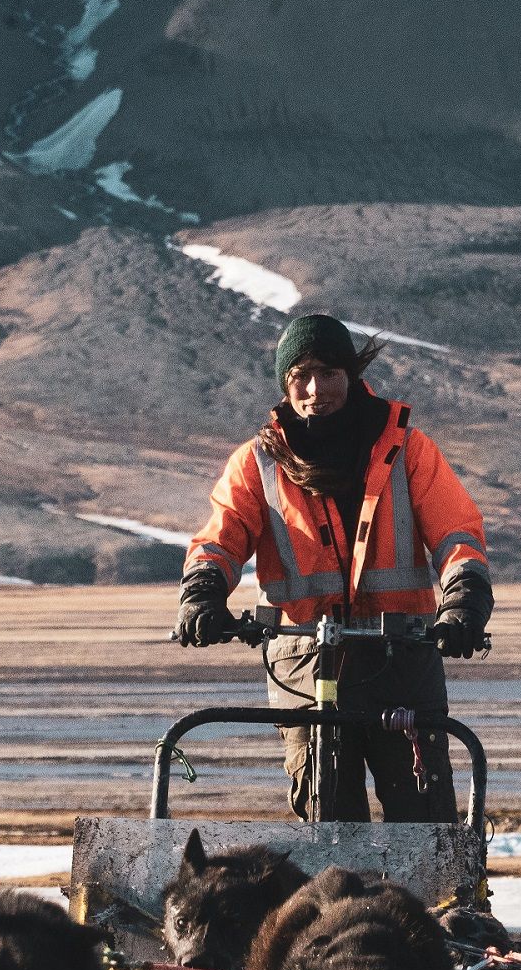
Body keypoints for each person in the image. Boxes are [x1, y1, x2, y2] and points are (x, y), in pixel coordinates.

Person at [175, 313, 493, 823]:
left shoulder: (408, 450)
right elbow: (220, 538)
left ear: (351, 375)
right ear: (284, 383)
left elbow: (457, 534)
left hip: (402, 663)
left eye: (328, 373)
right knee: (329, 833)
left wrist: (464, 603)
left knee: (426, 826)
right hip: (305, 669)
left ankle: (438, 879)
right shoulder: (257, 463)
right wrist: (202, 595)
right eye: (300, 375)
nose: (315, 389)